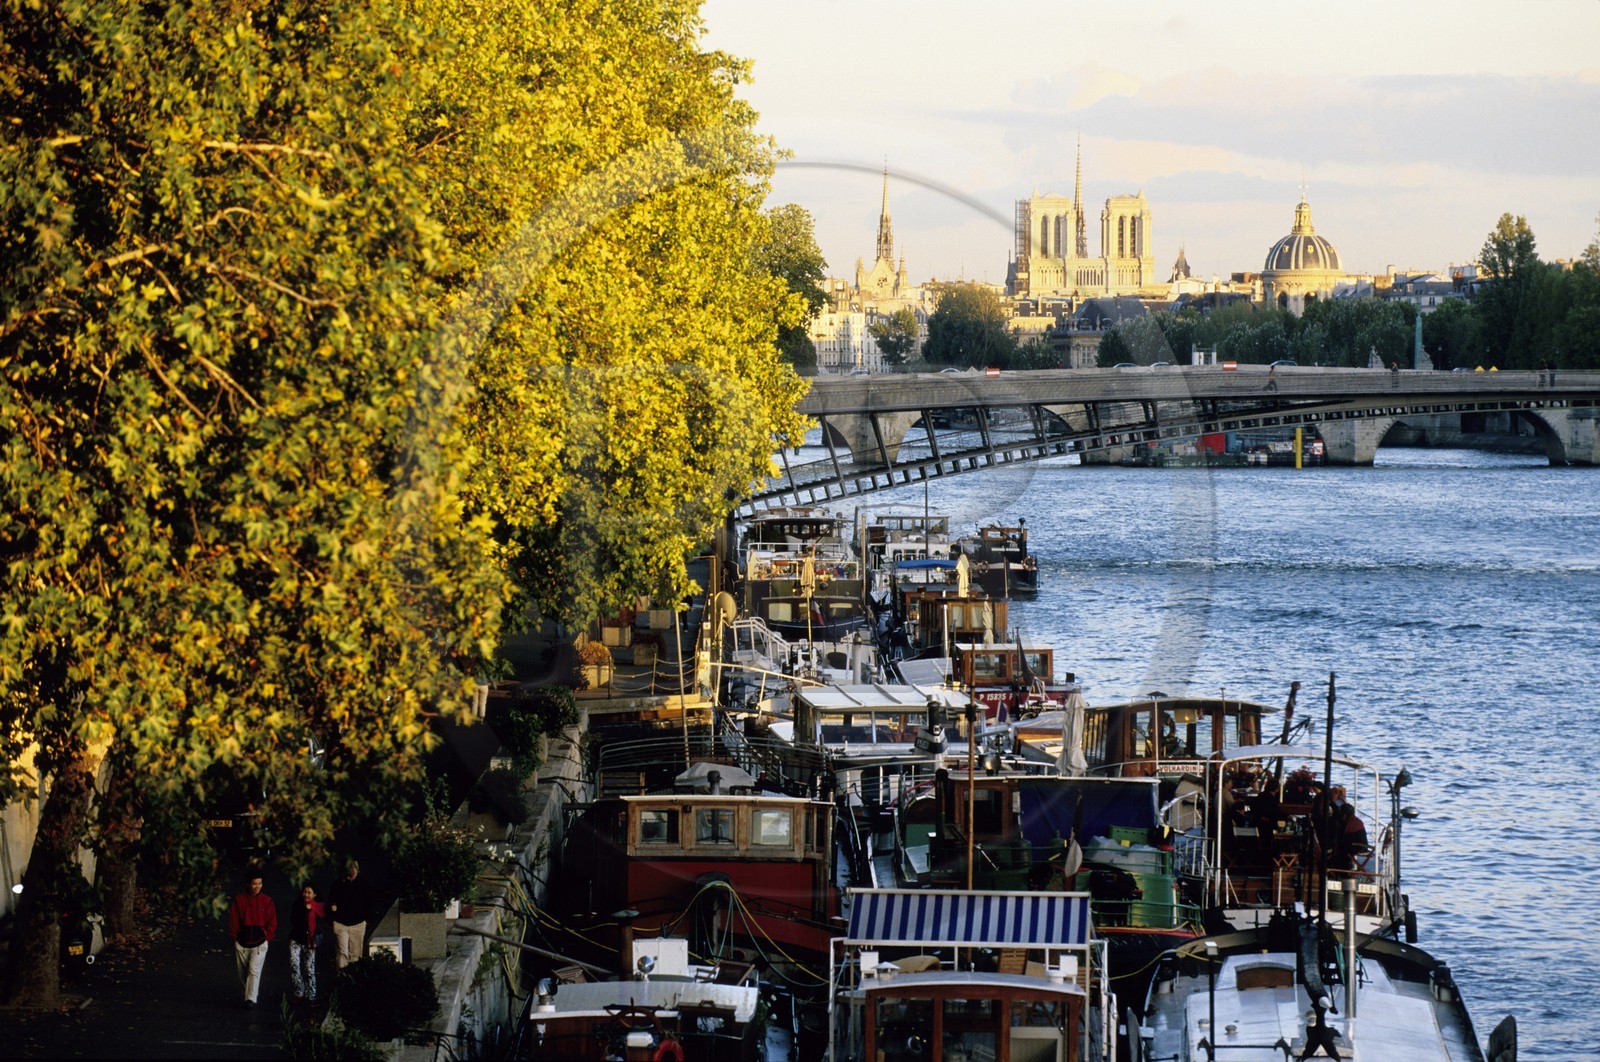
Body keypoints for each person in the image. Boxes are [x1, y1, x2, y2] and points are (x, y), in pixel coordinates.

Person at [227, 870, 277, 1008]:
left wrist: (267, 937)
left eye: (260, 883)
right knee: (243, 973)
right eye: (254, 884)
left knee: (254, 970)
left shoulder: (267, 901)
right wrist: (234, 936)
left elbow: (272, 921)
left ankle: (251, 999)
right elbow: (233, 919)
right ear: (248, 884)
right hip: (242, 942)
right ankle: (249, 994)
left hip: (260, 942)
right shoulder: (239, 900)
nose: (257, 887)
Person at [328, 859, 373, 970]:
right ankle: (342, 976)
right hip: (340, 923)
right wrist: (333, 918)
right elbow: (330, 902)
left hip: (358, 923)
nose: (353, 870)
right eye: (350, 868)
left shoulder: (364, 884)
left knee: (356, 954)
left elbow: (370, 902)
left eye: (355, 868)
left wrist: (366, 919)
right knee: (342, 953)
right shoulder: (338, 884)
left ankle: (354, 977)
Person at [288, 883, 327, 1004]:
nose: (306, 895)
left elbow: (322, 923)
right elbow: (293, 920)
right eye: (305, 892)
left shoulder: (319, 907)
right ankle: (298, 993)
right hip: (296, 939)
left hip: (310, 941)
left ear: (314, 894)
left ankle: (311, 996)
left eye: (309, 893)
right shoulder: (297, 904)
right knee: (294, 966)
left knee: (309, 969)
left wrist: (311, 910)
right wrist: (305, 910)